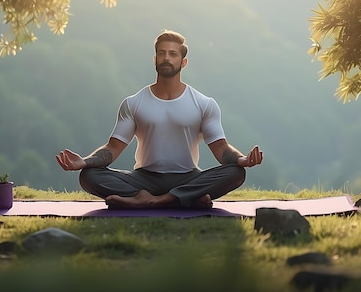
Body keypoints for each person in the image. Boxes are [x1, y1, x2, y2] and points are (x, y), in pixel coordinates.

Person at [56, 30, 262, 209]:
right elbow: (113, 148)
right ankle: (186, 199)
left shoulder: (204, 103)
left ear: (183, 62)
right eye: (161, 53)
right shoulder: (134, 103)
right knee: (88, 176)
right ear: (154, 59)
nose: (166, 58)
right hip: (144, 179)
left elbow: (221, 148)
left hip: (188, 177)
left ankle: (154, 201)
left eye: (173, 54)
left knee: (236, 172)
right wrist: (85, 161)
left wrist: (241, 159)